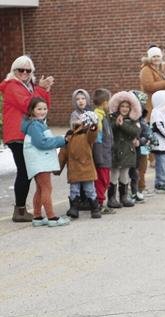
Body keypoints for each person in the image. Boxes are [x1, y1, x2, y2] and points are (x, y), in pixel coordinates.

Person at [0, 56, 55, 222]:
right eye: (20, 70)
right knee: (24, 171)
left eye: (28, 70)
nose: (24, 73)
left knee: (28, 172)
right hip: (17, 134)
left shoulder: (30, 86)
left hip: (28, 134)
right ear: (14, 71)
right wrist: (40, 89)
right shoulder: (11, 86)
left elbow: (43, 106)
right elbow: (29, 106)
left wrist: (43, 90)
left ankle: (25, 209)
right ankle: (20, 210)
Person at [21, 97, 70, 227]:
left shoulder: (38, 123)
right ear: (32, 110)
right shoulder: (35, 125)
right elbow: (41, 143)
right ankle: (52, 217)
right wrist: (62, 140)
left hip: (39, 162)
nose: (42, 111)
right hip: (40, 162)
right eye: (39, 109)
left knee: (41, 189)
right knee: (47, 188)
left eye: (45, 108)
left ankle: (37, 216)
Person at [61, 89, 100, 219]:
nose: (80, 101)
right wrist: (58, 166)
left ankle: (95, 207)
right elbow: (63, 152)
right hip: (74, 166)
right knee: (74, 189)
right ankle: (74, 207)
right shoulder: (70, 136)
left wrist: (93, 126)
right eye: (77, 99)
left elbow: (93, 134)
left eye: (83, 98)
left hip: (86, 163)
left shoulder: (87, 134)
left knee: (89, 188)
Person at [107, 91, 142, 208]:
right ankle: (111, 198)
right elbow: (109, 130)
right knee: (114, 173)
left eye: (127, 106)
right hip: (115, 151)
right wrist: (116, 124)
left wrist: (123, 125)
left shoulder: (133, 120)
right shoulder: (112, 118)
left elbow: (135, 132)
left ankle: (124, 197)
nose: (125, 109)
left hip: (128, 152)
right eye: (122, 106)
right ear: (118, 106)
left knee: (125, 174)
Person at [140, 46, 165, 124]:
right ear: (150, 58)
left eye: (158, 56)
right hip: (154, 107)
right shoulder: (146, 70)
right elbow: (149, 86)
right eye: (154, 56)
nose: (156, 58)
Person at [92, 89, 115, 214]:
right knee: (102, 180)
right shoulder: (98, 117)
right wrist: (99, 157)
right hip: (102, 155)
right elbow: (97, 139)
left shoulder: (104, 115)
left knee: (105, 180)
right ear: (105, 102)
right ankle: (99, 204)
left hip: (106, 153)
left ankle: (101, 202)